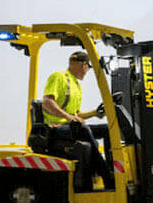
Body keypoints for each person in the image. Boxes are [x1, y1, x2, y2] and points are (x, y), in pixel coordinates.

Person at [41, 51, 109, 190]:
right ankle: (105, 173)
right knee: (83, 129)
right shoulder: (59, 77)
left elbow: (76, 114)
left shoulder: (76, 85)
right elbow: (47, 102)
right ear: (82, 64)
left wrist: (95, 113)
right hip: (56, 128)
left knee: (108, 128)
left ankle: (113, 166)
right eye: (88, 67)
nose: (87, 71)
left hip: (71, 127)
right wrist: (68, 117)